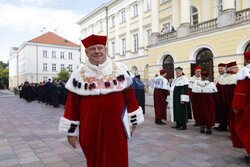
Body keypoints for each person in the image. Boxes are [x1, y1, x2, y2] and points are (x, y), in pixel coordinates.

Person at [58, 34, 144, 167]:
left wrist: (134, 121)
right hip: (89, 128)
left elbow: (131, 97)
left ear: (105, 49)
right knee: (94, 160)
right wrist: (71, 132)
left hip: (117, 127)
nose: (97, 51)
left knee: (118, 159)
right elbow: (71, 106)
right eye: (92, 49)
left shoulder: (120, 69)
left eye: (100, 48)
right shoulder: (78, 75)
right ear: (86, 52)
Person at [230, 51, 250, 165]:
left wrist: (236, 107)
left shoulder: (245, 72)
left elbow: (240, 92)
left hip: (247, 107)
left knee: (245, 130)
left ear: (245, 60)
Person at [214, 63, 228, 131]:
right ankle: (221, 125)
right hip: (218, 97)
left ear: (225, 68)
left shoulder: (227, 76)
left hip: (224, 97)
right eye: (219, 68)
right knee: (219, 111)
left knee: (225, 111)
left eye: (221, 68)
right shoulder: (218, 76)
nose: (220, 70)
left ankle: (225, 125)